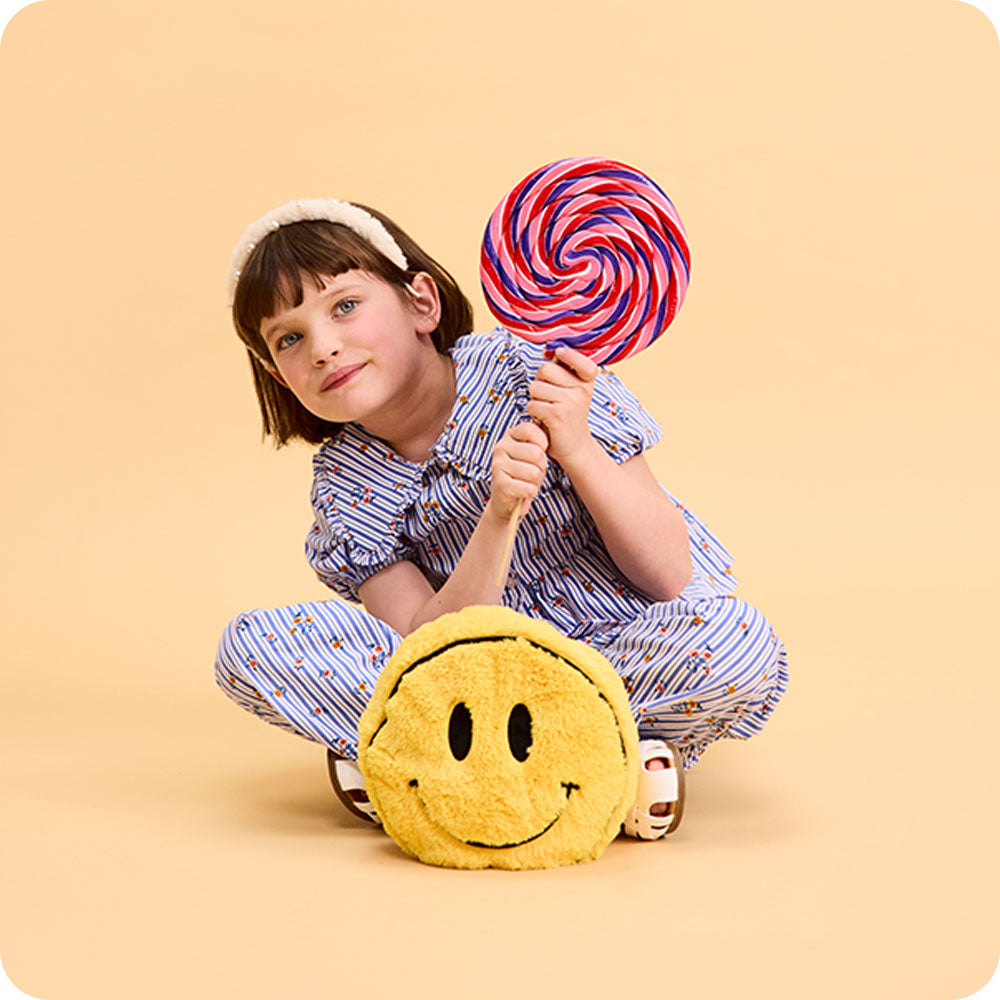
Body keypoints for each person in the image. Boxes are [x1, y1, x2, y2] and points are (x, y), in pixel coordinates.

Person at [215, 197, 789, 841]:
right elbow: (425, 647)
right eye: (288, 338)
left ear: (421, 304)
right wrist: (498, 518)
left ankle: (434, 768)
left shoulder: (538, 373)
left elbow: (670, 575)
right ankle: (601, 765)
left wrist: (575, 443)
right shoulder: (347, 486)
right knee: (251, 646)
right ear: (276, 372)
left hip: (619, 649)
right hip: (474, 685)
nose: (322, 347)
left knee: (735, 640)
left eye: (345, 305)